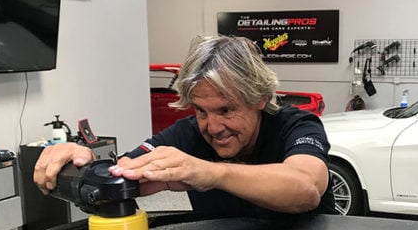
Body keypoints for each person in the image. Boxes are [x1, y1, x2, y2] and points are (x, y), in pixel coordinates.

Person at [33, 35, 335, 219]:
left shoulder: (296, 125)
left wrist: (208, 173)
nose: (213, 127)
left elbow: (306, 189)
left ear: (260, 99)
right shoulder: (186, 134)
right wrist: (79, 162)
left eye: (226, 110)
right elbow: (123, 171)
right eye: (201, 111)